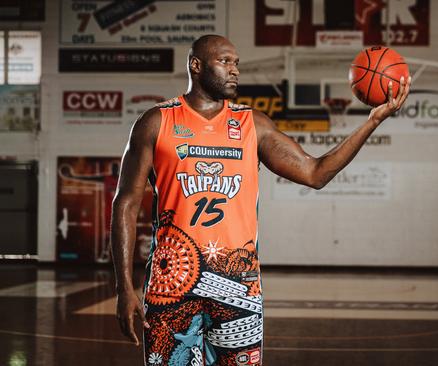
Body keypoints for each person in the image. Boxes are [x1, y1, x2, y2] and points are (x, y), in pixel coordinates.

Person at [110, 34, 410, 366]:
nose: (234, 69)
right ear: (196, 66)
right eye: (224, 61)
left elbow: (316, 172)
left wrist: (373, 121)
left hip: (239, 285)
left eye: (236, 62)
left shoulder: (252, 125)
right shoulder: (157, 122)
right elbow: (125, 203)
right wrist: (124, 286)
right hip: (172, 287)